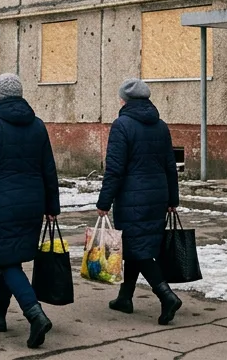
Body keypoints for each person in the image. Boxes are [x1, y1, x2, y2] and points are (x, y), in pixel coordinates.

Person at [0, 73, 60, 349]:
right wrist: (52, 206)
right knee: (12, 256)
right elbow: (48, 169)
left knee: (6, 260)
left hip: (1, 204)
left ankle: (35, 314)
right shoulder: (38, 125)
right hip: (32, 204)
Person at [96, 78, 183, 326]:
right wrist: (172, 199)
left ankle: (166, 296)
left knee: (138, 248)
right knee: (135, 245)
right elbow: (170, 165)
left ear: (125, 100)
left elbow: (114, 169)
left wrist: (104, 201)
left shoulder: (122, 125)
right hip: (157, 196)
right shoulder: (161, 126)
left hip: (132, 197)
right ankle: (125, 298)